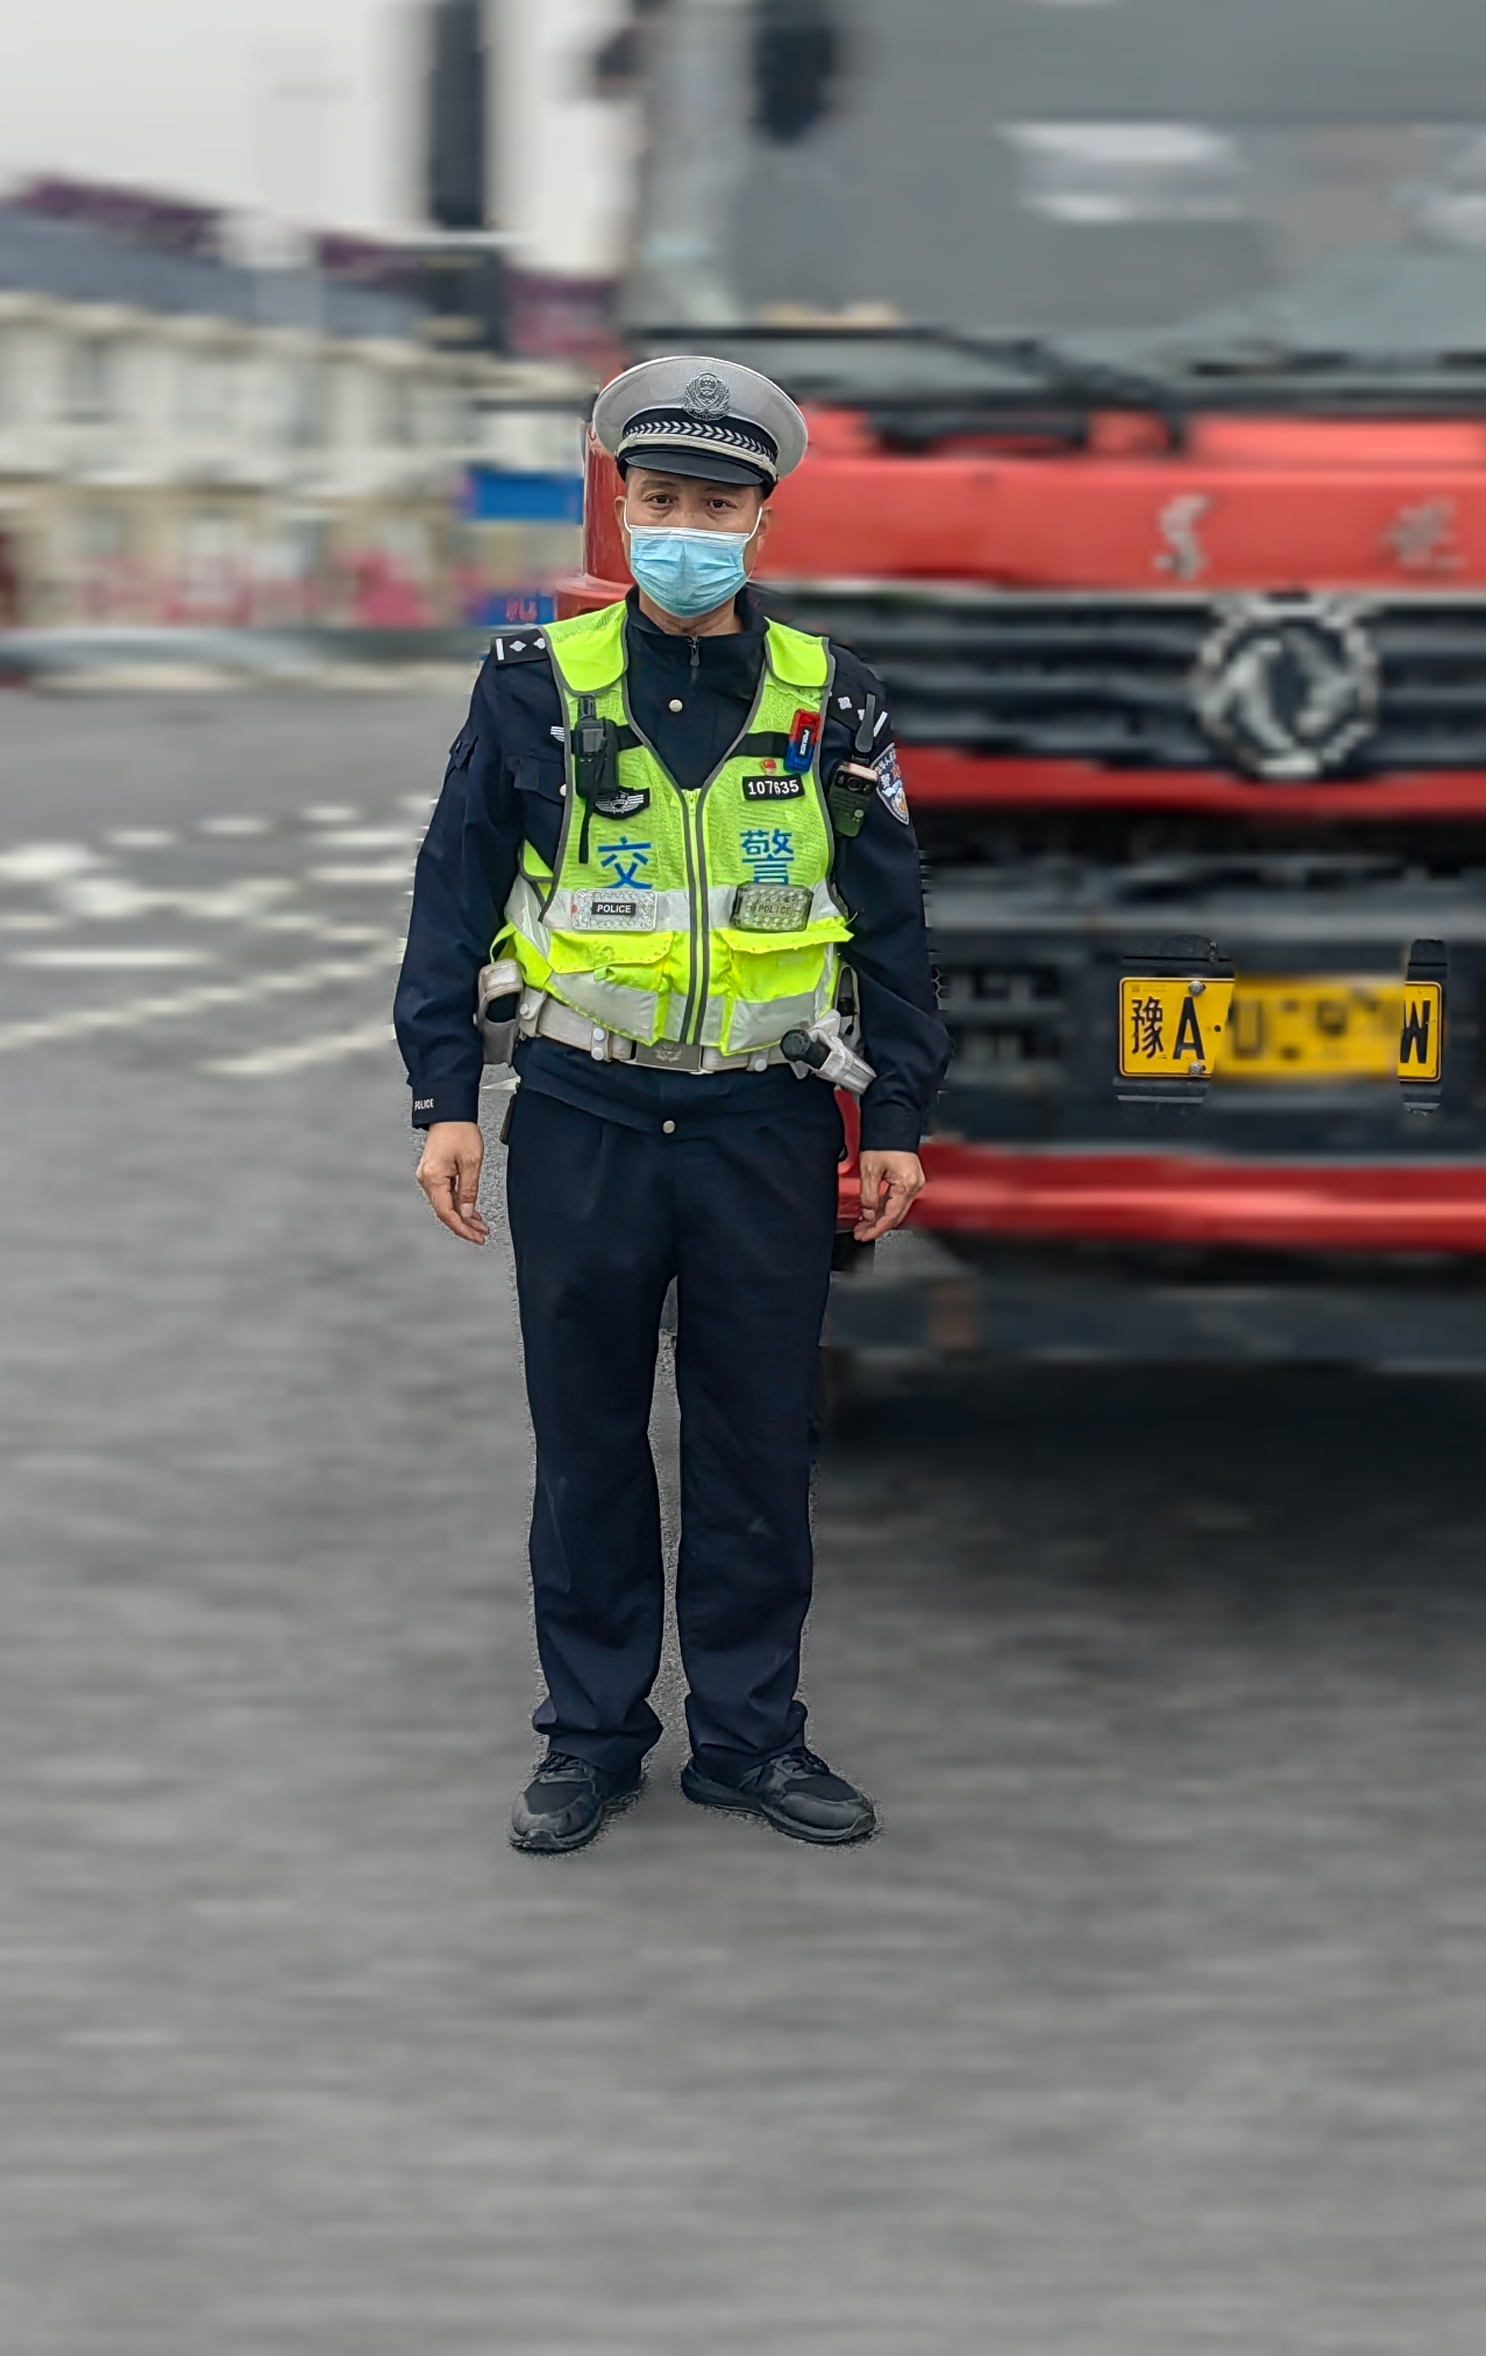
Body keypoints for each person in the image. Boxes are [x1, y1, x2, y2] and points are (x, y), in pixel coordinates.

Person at [394, 354, 947, 1857]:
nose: (684, 525)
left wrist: (894, 1116)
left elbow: (891, 924)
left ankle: (752, 1739)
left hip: (763, 1124)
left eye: (716, 502)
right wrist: (445, 1097)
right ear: (619, 507)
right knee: (583, 1442)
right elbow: (451, 906)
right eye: (659, 499)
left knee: (758, 1443)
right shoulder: (530, 687)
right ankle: (589, 1738)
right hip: (581, 1112)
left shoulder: (832, 697)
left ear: (761, 520)